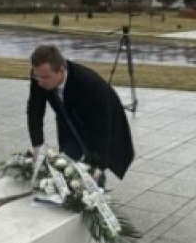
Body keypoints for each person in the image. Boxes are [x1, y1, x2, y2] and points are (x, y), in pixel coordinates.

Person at [26, 45, 134, 181]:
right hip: (70, 121)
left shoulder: (89, 84)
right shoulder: (40, 76)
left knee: (93, 171)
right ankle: (71, 196)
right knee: (65, 165)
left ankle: (97, 197)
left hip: (99, 122)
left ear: (61, 70)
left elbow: (102, 128)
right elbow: (35, 108)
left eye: (45, 77)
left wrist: (98, 166)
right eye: (37, 77)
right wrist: (37, 145)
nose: (40, 82)